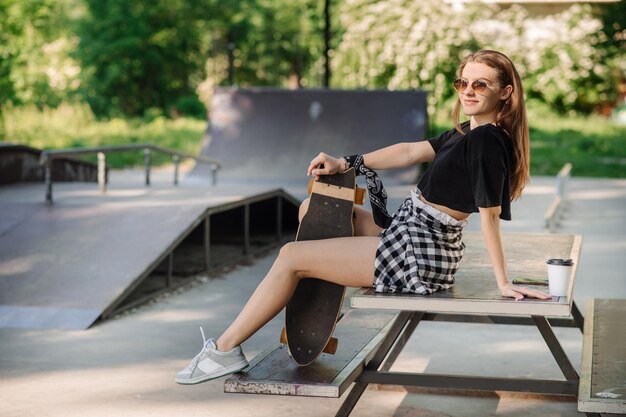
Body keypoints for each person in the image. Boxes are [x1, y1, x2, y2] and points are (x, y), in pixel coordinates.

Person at [174, 49, 551, 385]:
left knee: (291, 257)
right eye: (462, 82)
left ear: (505, 92)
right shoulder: (469, 131)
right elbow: (406, 152)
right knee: (315, 210)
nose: (468, 91)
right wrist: (346, 162)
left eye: (480, 85)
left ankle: (225, 349)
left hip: (419, 253)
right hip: (409, 230)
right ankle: (320, 286)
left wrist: (503, 282)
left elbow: (490, 216)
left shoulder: (486, 142)